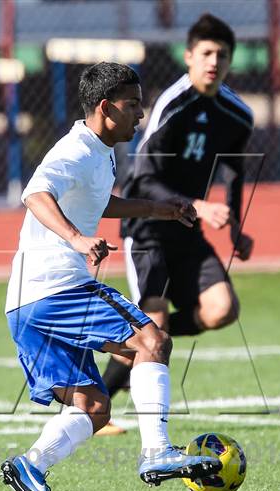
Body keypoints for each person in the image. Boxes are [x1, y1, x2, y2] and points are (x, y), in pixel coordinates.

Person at [0, 62, 221, 491]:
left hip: (24, 304)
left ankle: (31, 465)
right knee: (152, 341)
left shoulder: (99, 151)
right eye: (133, 104)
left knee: (95, 407)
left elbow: (101, 203)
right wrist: (77, 240)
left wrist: (159, 210)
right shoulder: (76, 151)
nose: (141, 113)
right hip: (56, 289)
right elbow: (36, 194)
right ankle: (156, 451)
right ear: (105, 108)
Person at [99, 14, 254, 433]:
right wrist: (199, 205)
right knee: (156, 325)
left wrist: (236, 224)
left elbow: (236, 172)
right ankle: (92, 408)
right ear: (189, 56)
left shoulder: (238, 115)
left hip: (187, 231)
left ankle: (137, 345)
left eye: (222, 54)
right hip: (148, 227)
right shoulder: (173, 104)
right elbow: (143, 178)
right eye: (205, 53)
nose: (213, 61)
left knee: (221, 309)